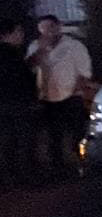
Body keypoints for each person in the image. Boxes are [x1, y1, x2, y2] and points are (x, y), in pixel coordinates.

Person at [25, 15, 92, 179]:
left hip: (71, 96)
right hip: (47, 97)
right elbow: (28, 69)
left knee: (76, 133)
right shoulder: (35, 46)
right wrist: (40, 52)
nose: (47, 32)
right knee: (54, 134)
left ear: (58, 27)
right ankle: (58, 168)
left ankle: (81, 164)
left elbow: (84, 72)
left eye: (50, 27)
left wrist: (77, 90)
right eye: (42, 29)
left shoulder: (74, 46)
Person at [0, 18, 37, 188]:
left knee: (7, 140)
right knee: (23, 140)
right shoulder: (12, 55)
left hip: (6, 104)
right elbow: (21, 80)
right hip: (17, 104)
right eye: (19, 31)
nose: (21, 35)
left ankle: (10, 175)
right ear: (9, 33)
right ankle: (24, 176)